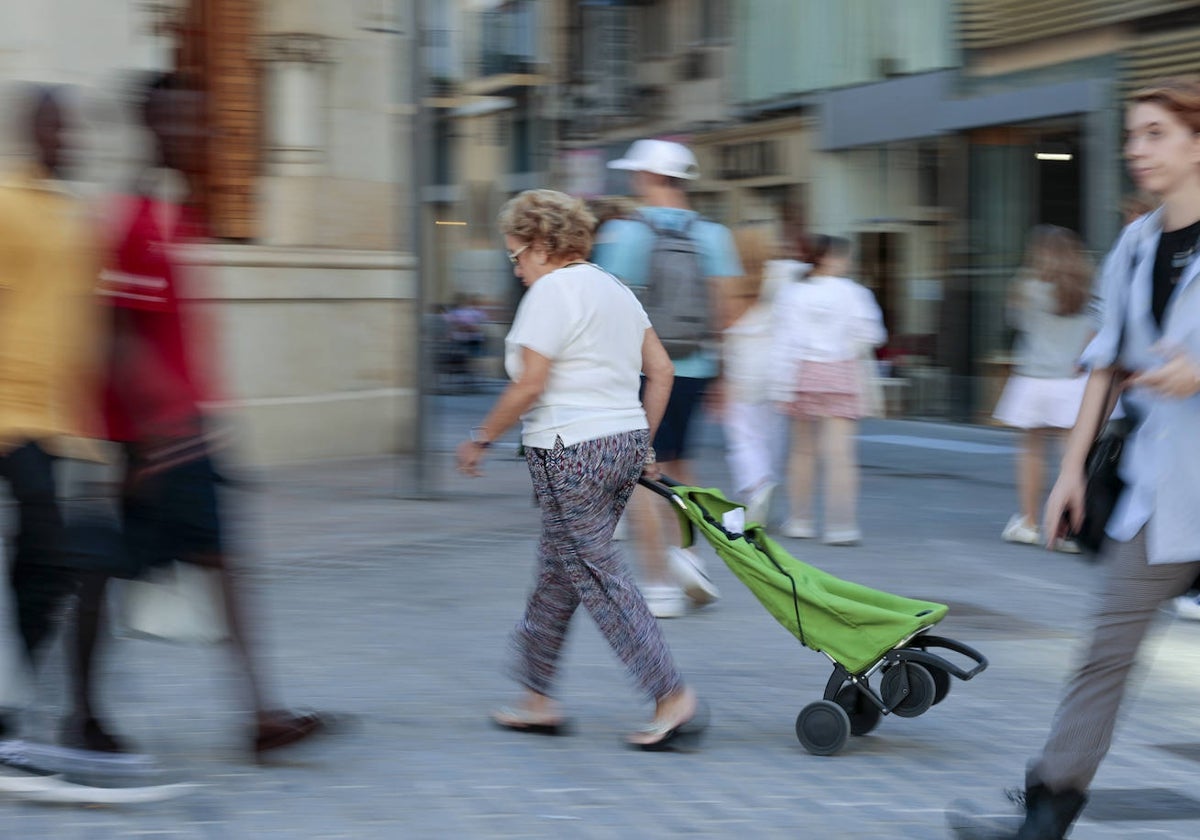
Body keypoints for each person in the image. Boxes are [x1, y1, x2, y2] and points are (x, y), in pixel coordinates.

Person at [948, 76, 1200, 840]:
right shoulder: (1135, 244)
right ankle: (1048, 810)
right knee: (1106, 649)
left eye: (1154, 132)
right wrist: (1067, 471)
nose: (1137, 149)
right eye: (1132, 134)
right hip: (1165, 486)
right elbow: (1105, 362)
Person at [74, 71, 325, 758]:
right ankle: (86, 713)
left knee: (198, 561)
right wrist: (161, 437)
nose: (190, 133)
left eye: (197, 120)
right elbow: (118, 333)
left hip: (178, 431)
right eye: (175, 120)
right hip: (158, 438)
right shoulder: (133, 215)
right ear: (149, 123)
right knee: (119, 568)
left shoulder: (172, 211)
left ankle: (254, 714)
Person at [456, 189, 705, 750]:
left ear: (545, 244)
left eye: (517, 254)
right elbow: (662, 372)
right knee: (557, 575)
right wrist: (641, 439)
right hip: (618, 447)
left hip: (570, 452)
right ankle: (537, 697)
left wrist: (481, 438)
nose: (516, 268)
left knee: (598, 577)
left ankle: (671, 696)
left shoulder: (551, 292)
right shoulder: (615, 289)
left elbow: (530, 384)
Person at [0, 86, 113, 748]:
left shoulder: (77, 217)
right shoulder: (7, 203)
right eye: (53, 127)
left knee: (49, 561)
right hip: (10, 411)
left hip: (63, 418)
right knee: (42, 544)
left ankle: (20, 695)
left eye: (69, 128)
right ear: (30, 131)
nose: (65, 139)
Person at [591, 139, 742, 618]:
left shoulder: (625, 233)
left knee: (639, 474)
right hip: (695, 365)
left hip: (641, 369)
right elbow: (728, 309)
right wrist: (723, 374)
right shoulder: (714, 235)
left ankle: (659, 587)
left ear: (647, 178)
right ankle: (690, 558)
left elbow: (606, 305)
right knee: (682, 467)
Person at [767, 235, 886, 546]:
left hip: (802, 374)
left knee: (802, 451)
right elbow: (873, 334)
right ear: (834, 258)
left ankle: (801, 520)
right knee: (841, 455)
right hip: (842, 373)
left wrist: (780, 386)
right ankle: (841, 526)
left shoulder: (792, 293)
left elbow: (784, 341)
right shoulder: (855, 293)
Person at [992, 226, 1095, 554]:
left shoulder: (1026, 286)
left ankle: (1030, 522)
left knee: (1031, 452)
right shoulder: (1087, 288)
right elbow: (1097, 331)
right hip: (1072, 380)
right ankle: (1068, 529)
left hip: (1034, 378)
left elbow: (1016, 322)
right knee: (1072, 459)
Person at [715, 226, 788, 525]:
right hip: (776, 369)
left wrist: (719, 377)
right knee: (773, 438)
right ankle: (768, 488)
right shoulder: (782, 279)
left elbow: (722, 330)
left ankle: (756, 487)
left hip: (742, 370)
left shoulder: (729, 283)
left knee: (743, 437)